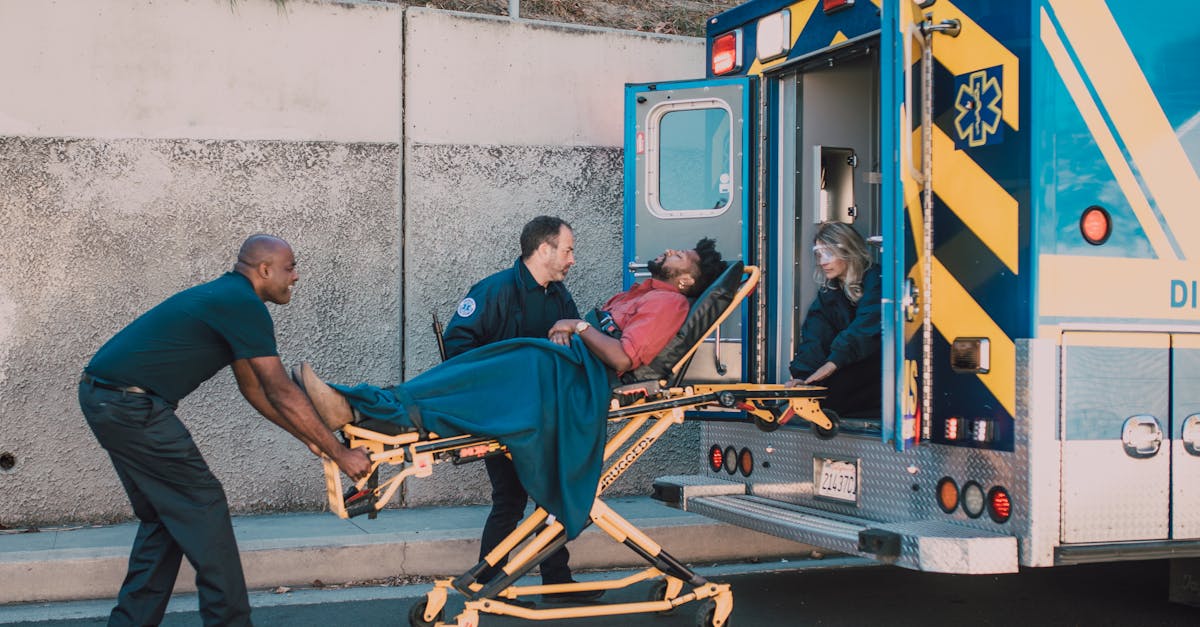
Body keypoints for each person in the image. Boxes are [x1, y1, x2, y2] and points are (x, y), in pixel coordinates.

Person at [296, 238, 727, 542]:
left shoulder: (668, 303)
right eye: (568, 250)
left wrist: (576, 327)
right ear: (544, 251)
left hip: (568, 378)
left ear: (687, 281)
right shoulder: (504, 289)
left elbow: (620, 359)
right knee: (463, 377)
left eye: (681, 256)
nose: (670, 251)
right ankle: (355, 406)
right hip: (548, 367)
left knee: (474, 395)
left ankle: (356, 407)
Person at [78, 235, 371, 627]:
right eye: (290, 267)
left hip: (108, 400)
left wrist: (310, 440)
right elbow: (280, 389)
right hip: (132, 407)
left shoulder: (230, 297)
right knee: (204, 507)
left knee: (165, 518)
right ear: (264, 270)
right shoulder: (243, 303)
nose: (296, 276)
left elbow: (254, 389)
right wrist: (340, 452)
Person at [442, 216, 594, 602]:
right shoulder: (494, 290)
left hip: (545, 416)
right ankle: (486, 583)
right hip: (504, 417)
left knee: (551, 499)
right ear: (544, 250)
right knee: (510, 500)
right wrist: (498, 383)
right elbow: (456, 342)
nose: (572, 259)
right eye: (568, 250)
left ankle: (557, 584)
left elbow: (578, 342)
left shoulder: (559, 296)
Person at [787, 222, 881, 416]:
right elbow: (815, 336)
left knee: (835, 390)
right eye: (819, 255)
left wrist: (831, 365)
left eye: (828, 253)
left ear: (848, 250)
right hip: (850, 373)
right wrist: (803, 378)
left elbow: (864, 331)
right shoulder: (830, 291)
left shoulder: (876, 280)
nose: (822, 262)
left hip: (876, 378)